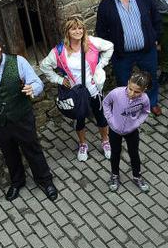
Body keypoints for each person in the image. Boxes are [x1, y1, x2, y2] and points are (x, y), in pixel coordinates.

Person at [0, 36, 58, 202]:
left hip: (22, 117)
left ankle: (45, 180)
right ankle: (17, 181)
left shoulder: (19, 62)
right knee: (9, 154)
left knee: (33, 149)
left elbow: (37, 83)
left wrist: (33, 88)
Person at [40, 16, 114, 160]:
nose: (78, 31)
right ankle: (83, 144)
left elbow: (110, 46)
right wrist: (59, 79)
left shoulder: (91, 42)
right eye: (74, 28)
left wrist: (101, 64)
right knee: (80, 119)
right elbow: (44, 66)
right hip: (76, 93)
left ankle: (105, 141)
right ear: (67, 31)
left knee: (101, 117)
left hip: (94, 90)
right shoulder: (59, 52)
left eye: (80, 28)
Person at [96, 0, 163, 115]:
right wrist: (111, 50)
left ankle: (152, 103)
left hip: (146, 50)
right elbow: (101, 32)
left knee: (150, 77)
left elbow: (156, 17)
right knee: (124, 82)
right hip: (122, 55)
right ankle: (130, 106)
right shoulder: (105, 6)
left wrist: (156, 38)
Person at [102, 71, 152, 192]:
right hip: (115, 130)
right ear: (128, 83)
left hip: (132, 131)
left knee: (134, 154)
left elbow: (146, 112)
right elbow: (106, 103)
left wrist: (137, 123)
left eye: (137, 92)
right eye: (130, 89)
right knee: (115, 153)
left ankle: (137, 176)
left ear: (144, 90)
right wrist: (110, 119)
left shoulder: (144, 99)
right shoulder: (116, 93)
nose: (132, 93)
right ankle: (115, 175)